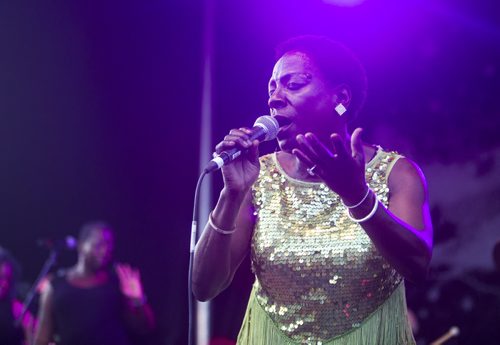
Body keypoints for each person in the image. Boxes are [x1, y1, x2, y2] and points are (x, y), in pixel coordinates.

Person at [193, 35, 433, 345]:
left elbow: (417, 266)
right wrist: (232, 194)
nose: (275, 98)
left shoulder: (397, 173)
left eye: (293, 85)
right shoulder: (259, 176)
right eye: (272, 88)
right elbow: (203, 287)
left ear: (340, 98)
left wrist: (357, 196)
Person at [34, 222, 155, 345]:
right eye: (99, 245)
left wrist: (138, 299)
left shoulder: (116, 284)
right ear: (81, 246)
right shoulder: (55, 286)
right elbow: (41, 339)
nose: (105, 250)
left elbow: (144, 328)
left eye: (109, 245)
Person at [0, 247, 36, 345]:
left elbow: (33, 336)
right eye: (0, 278)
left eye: (7, 279)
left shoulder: (16, 308)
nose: (4, 284)